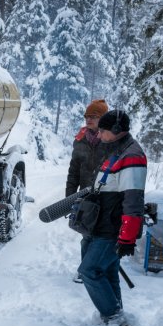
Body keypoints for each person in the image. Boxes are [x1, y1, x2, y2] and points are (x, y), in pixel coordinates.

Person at [78, 110, 146, 326]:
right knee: (107, 272)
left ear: (116, 131)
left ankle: (114, 318)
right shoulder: (118, 149)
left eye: (102, 131)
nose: (98, 136)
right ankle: (117, 318)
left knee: (89, 270)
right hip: (101, 224)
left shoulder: (132, 156)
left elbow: (133, 199)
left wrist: (127, 237)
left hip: (112, 228)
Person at [67, 99, 109, 283]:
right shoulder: (80, 140)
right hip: (85, 196)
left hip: (107, 196)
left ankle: (100, 269)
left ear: (103, 118)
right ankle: (85, 269)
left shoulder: (110, 140)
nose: (88, 119)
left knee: (103, 236)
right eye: (87, 116)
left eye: (93, 116)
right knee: (86, 234)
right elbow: (73, 171)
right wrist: (69, 198)